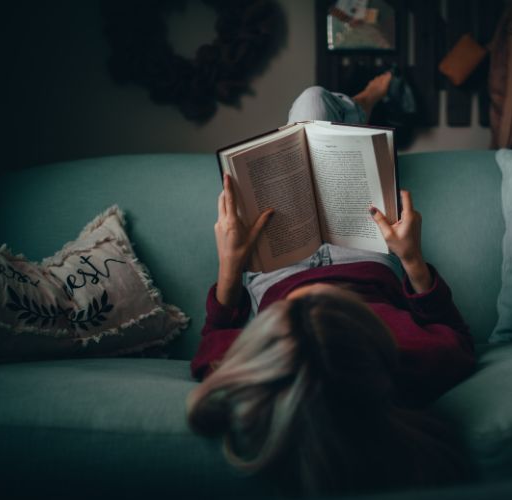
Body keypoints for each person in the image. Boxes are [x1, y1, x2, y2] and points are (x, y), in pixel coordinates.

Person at [185, 74, 476, 495]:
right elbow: (458, 336)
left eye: (294, 314)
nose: (315, 297)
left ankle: (358, 106)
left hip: (276, 268)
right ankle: (363, 103)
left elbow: (214, 337)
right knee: (316, 111)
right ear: (366, 344)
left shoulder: (253, 375)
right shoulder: (412, 363)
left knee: (305, 119)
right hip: (361, 256)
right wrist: (411, 257)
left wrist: (229, 264)